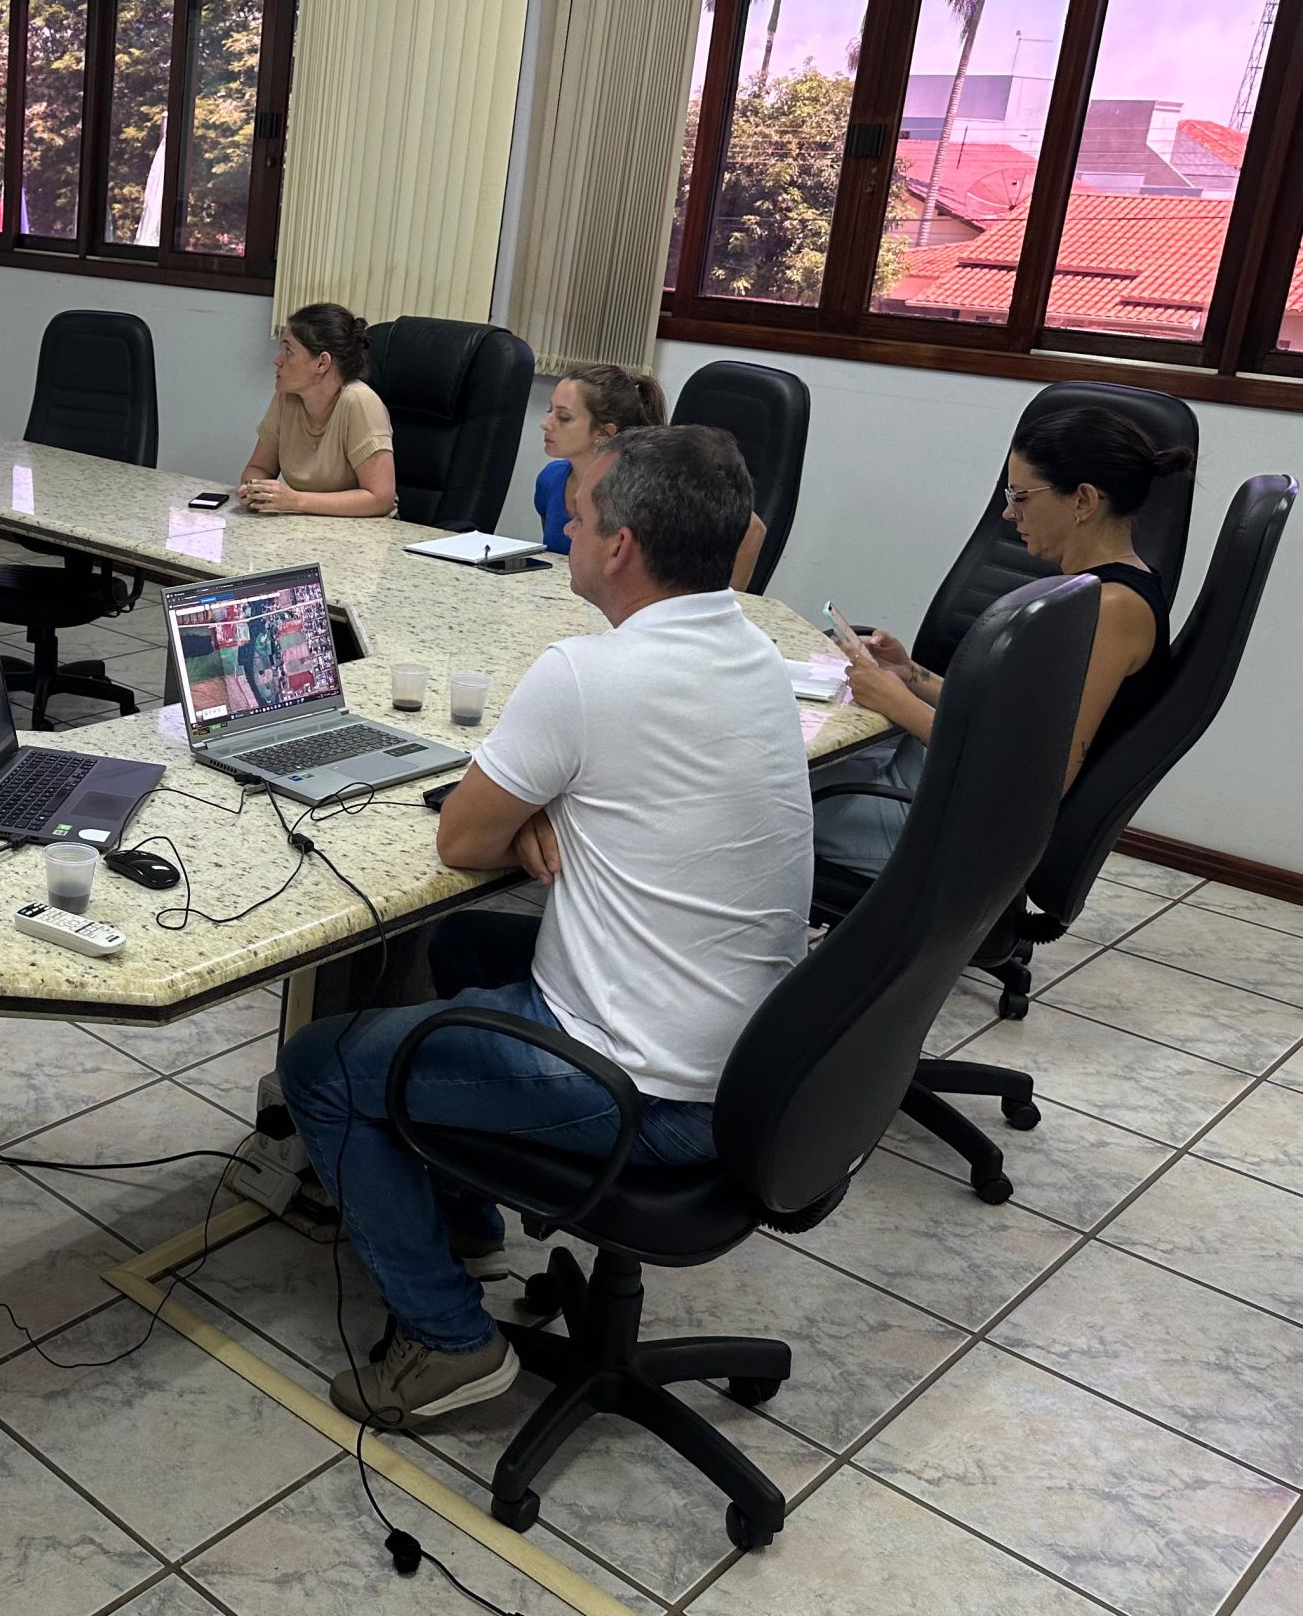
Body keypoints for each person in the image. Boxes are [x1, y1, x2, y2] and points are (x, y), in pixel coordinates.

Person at [279, 427, 811, 1431]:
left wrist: (527, 809)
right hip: (748, 1066)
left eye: (578, 513)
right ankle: (468, 1218)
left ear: (620, 549)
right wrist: (554, 806)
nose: (564, 522)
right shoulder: (753, 650)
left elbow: (458, 838)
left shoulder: (587, 673)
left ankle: (448, 1345)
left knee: (323, 1067)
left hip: (642, 1094)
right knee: (464, 949)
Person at [816, 407, 1190, 879]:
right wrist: (910, 675)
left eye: (1021, 496)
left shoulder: (1111, 610)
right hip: (937, 785)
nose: (1008, 512)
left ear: (1083, 501)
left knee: (767, 800)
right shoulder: (1096, 590)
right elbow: (1011, 722)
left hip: (957, 827)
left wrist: (899, 704)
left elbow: (1037, 782)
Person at [531, 364, 766, 587]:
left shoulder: (647, 487)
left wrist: (721, 607)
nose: (546, 423)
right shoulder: (551, 480)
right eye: (549, 411)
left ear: (603, 432)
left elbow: (752, 529)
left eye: (563, 418)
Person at [237, 304, 397, 518]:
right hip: (304, 528)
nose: (278, 360)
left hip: (365, 535)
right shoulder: (287, 397)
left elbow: (380, 498)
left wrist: (296, 500)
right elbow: (259, 467)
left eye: (289, 351)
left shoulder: (359, 401)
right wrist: (255, 490)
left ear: (322, 363)